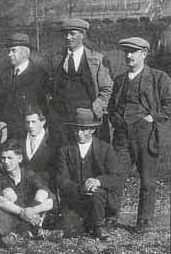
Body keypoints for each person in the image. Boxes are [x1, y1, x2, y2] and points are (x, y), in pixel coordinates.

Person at [108, 37, 171, 233]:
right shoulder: (120, 80)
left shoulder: (158, 77)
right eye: (126, 51)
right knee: (116, 176)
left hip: (146, 135)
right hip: (122, 136)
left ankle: (143, 222)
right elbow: (111, 107)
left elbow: (169, 104)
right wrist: (116, 120)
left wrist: (152, 118)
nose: (128, 56)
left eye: (133, 51)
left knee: (147, 180)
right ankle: (111, 218)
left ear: (144, 53)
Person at [56, 108, 123, 241]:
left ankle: (99, 225)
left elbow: (117, 177)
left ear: (92, 130)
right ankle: (84, 222)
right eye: (76, 129)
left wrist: (98, 181)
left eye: (83, 129)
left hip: (100, 200)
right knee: (71, 230)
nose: (79, 133)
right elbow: (62, 179)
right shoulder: (65, 150)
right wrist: (80, 189)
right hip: (75, 199)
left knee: (97, 193)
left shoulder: (105, 148)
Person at [47, 18, 112, 146]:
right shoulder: (56, 59)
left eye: (72, 34)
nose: (68, 37)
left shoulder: (97, 60)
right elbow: (50, 88)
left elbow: (107, 89)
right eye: (65, 34)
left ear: (82, 35)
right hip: (62, 119)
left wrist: (97, 108)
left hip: (88, 120)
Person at [0, 141, 61, 247]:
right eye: (3, 158)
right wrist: (23, 212)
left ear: (20, 159)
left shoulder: (29, 174)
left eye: (10, 158)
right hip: (10, 217)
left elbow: (51, 201)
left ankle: (19, 235)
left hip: (30, 217)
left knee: (42, 193)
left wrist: (32, 211)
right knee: (8, 193)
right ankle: (36, 232)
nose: (6, 162)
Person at [0, 33, 49, 140]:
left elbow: (44, 106)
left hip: (29, 130)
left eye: (13, 50)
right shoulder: (4, 74)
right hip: (6, 130)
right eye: (9, 51)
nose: (9, 54)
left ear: (25, 52)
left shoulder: (39, 74)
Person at [19, 106, 56, 189]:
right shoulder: (19, 140)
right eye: (27, 122)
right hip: (22, 187)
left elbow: (54, 170)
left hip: (45, 187)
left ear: (43, 122)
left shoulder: (52, 142)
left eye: (33, 122)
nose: (30, 126)